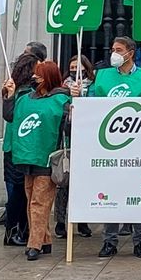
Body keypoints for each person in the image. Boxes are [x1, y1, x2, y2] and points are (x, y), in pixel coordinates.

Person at [91, 35, 141, 258]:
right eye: (113, 49)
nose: (114, 53)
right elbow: (90, 105)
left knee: (138, 194)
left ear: (130, 52)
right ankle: (109, 241)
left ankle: (140, 241)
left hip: (139, 147)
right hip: (109, 146)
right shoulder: (101, 76)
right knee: (110, 194)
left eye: (119, 49)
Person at [3, 60, 71, 260]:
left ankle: (34, 243)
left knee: (38, 202)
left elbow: (69, 126)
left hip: (47, 157)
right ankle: (45, 239)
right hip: (26, 156)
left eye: (39, 75)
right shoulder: (25, 98)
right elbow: (10, 116)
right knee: (31, 199)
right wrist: (9, 95)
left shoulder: (62, 99)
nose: (35, 78)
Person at [56, 54, 95, 240]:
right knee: (64, 184)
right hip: (68, 139)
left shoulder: (93, 87)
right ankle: (60, 222)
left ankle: (83, 221)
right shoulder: (63, 88)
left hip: (87, 141)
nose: (74, 71)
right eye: (71, 67)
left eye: (77, 67)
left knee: (84, 183)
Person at [0, 50, 37, 247]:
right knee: (17, 192)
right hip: (16, 147)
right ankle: (13, 230)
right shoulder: (18, 91)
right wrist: (10, 96)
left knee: (23, 192)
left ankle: (23, 229)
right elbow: (10, 116)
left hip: (21, 146)